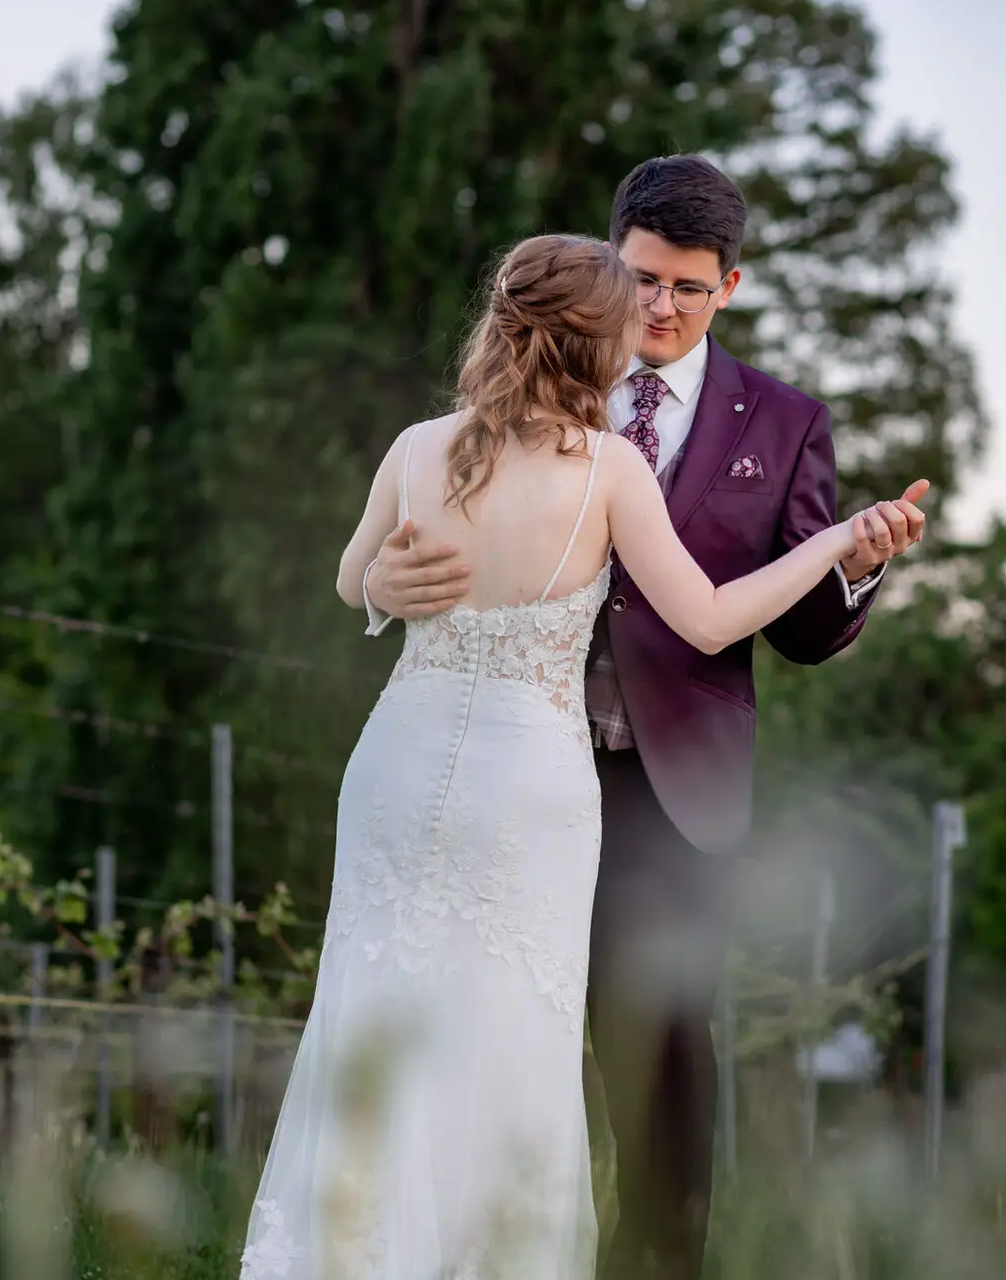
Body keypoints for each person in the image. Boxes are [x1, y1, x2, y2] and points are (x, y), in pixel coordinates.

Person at [240, 232, 923, 1278]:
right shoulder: (608, 468)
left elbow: (349, 577)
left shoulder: (419, 446)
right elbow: (704, 618)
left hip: (397, 765)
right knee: (512, 1032)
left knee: (372, 1005)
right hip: (529, 787)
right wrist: (833, 544)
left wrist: (381, 586)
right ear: (596, 342)